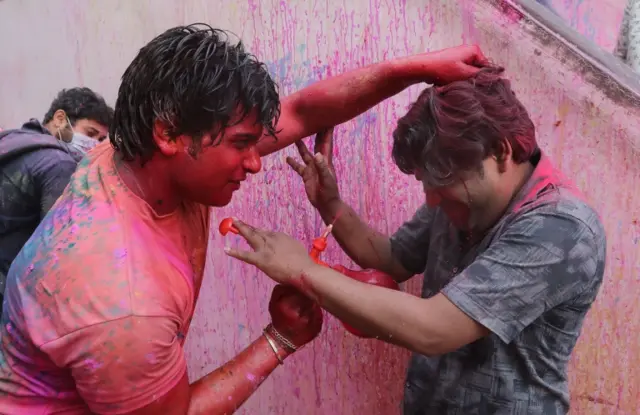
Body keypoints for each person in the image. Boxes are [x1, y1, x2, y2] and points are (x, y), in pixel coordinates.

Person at [0, 23, 490, 415]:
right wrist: (280, 338)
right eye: (241, 145)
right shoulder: (123, 302)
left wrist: (417, 68)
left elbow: (304, 110)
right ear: (169, 134)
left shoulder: (135, 154)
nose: (257, 161)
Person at [226, 69, 607, 414]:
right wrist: (330, 204)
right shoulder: (456, 192)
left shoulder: (562, 228)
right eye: (427, 185)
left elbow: (434, 328)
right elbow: (392, 258)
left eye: (443, 186)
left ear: (501, 152)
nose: (432, 201)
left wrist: (304, 270)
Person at [0, 87, 113, 297]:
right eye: (90, 133)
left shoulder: (15, 140)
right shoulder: (59, 164)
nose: (94, 145)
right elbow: (54, 252)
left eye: (101, 140)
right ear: (60, 118)